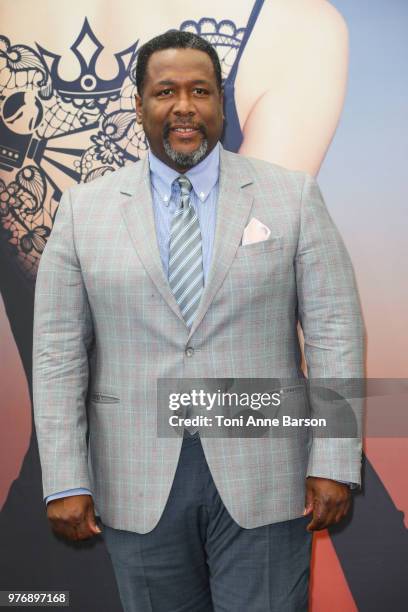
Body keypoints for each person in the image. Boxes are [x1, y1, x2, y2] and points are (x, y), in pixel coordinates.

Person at [32, 30, 364, 612]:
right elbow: (58, 354)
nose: (184, 106)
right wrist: (65, 476)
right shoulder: (84, 211)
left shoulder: (291, 197)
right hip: (134, 474)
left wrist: (335, 459)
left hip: (266, 471)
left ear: (220, 104)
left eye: (200, 91)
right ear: (139, 105)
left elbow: (335, 332)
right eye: (165, 91)